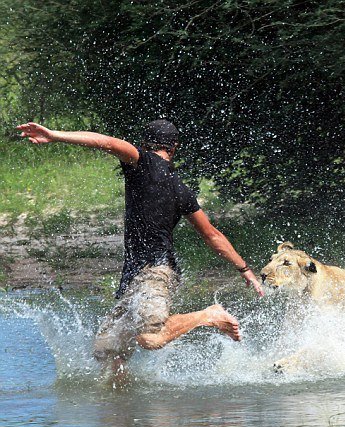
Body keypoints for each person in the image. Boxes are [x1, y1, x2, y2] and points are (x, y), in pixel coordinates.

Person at [17, 119, 264, 372]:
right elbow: (212, 235)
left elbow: (106, 142)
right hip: (136, 274)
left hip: (156, 272)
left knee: (150, 338)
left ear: (144, 144)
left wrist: (55, 135)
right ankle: (125, 410)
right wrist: (245, 269)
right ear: (174, 148)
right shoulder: (182, 190)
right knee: (107, 352)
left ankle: (209, 315)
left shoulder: (141, 161)